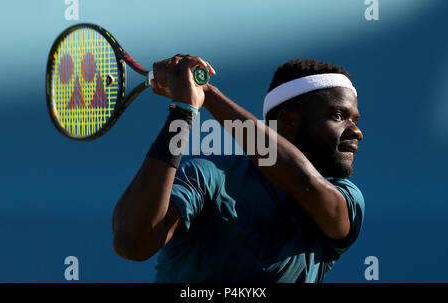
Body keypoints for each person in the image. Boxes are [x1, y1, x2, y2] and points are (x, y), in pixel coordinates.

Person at [111, 54, 365, 282]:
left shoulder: (347, 199)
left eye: (355, 120)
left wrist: (208, 95)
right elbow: (131, 243)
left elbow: (306, 183)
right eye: (338, 116)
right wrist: (183, 112)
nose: (357, 132)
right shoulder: (207, 177)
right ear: (288, 122)